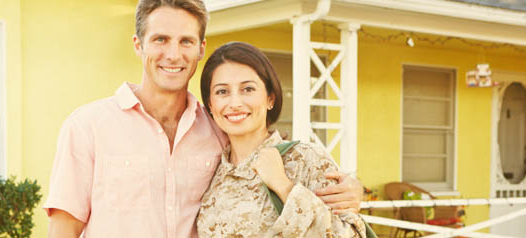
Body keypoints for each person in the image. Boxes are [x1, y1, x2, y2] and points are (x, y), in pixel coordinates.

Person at [43, 0, 363, 237]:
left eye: (185, 41)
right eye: (160, 39)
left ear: (200, 48)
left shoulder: (217, 132)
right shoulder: (87, 126)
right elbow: (63, 228)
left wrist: (352, 188)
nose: (173, 54)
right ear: (138, 45)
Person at [195, 42, 366, 237]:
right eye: (222, 92)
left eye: (248, 89)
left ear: (270, 98)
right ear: (210, 104)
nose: (235, 103)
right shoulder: (212, 172)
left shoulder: (305, 160)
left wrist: (285, 187)